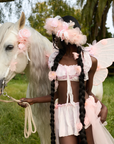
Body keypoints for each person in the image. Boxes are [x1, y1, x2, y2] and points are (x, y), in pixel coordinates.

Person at [18, 16, 114, 144]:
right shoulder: (54, 60)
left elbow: (87, 92)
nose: (54, 40)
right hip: (64, 115)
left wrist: (103, 107)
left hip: (84, 112)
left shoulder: (89, 61)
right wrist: (32, 100)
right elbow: (57, 94)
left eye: (56, 36)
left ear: (67, 36)